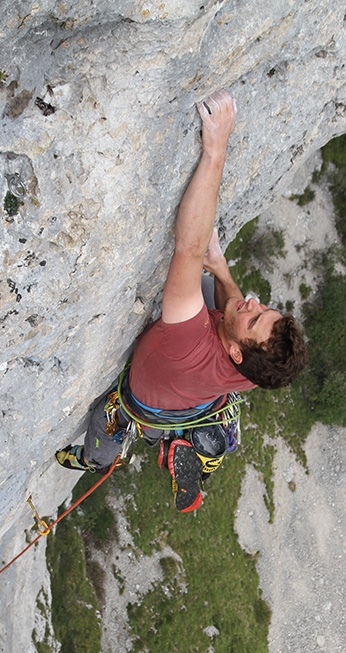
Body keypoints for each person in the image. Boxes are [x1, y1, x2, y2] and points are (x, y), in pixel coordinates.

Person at [56, 90, 307, 511]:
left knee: (106, 423)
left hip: (146, 404)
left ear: (234, 351)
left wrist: (215, 151)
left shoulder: (189, 338)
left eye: (254, 317)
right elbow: (231, 306)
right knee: (217, 298)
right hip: (200, 400)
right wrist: (221, 269)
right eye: (264, 308)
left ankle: (97, 460)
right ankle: (205, 444)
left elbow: (188, 248)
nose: (253, 301)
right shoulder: (260, 368)